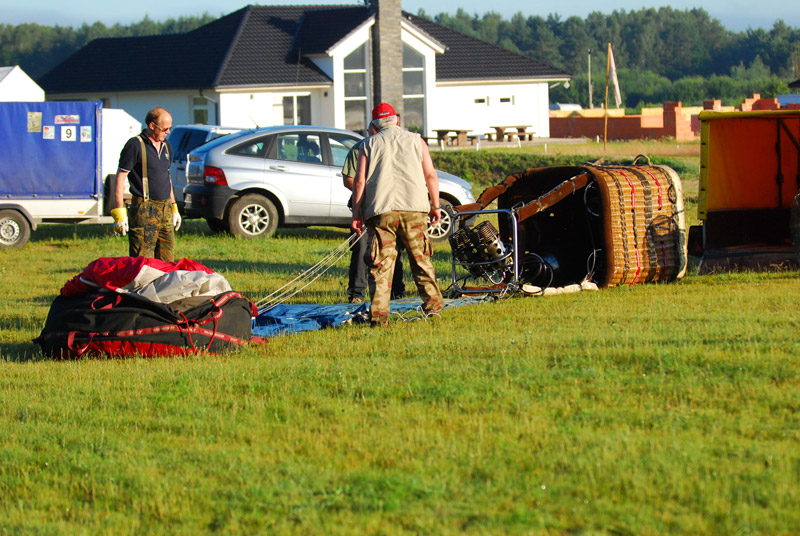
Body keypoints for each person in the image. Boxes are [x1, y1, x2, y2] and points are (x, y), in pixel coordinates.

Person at [351, 103, 443, 325]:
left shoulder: (368, 144)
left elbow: (360, 181)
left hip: (382, 211)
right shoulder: (416, 141)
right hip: (415, 209)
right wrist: (436, 206)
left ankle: (379, 316)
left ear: (374, 125)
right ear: (397, 120)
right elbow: (430, 175)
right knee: (421, 260)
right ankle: (433, 308)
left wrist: (356, 213)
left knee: (381, 266)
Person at [342, 122, 405, 303]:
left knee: (393, 248)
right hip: (366, 207)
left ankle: (397, 292)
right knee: (361, 248)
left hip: (391, 206)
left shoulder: (395, 148)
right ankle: (356, 294)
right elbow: (349, 179)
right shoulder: (359, 149)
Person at [111, 107, 181, 261]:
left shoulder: (166, 146)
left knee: (167, 260)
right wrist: (119, 213)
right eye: (164, 129)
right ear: (151, 126)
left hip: (165, 208)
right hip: (144, 208)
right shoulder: (135, 145)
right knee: (143, 262)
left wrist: (174, 207)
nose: (168, 132)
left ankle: (164, 285)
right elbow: (120, 177)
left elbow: (166, 176)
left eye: (170, 128)